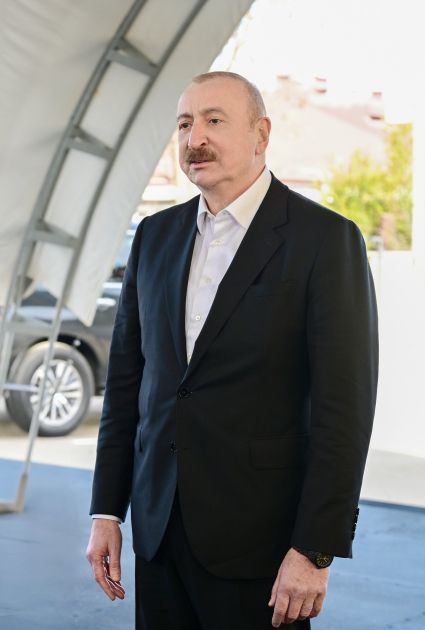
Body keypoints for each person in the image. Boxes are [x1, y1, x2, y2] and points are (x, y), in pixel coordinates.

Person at [86, 71, 378, 629]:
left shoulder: (324, 240)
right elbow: (127, 386)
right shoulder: (153, 237)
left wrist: (315, 550)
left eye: (214, 120)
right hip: (158, 533)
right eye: (184, 124)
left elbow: (345, 411)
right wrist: (106, 511)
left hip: (263, 547)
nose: (195, 138)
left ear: (261, 134)